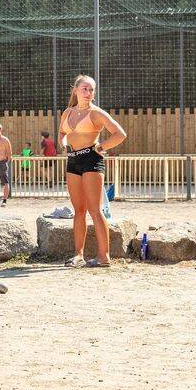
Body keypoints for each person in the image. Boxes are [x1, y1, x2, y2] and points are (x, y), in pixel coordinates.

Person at [60, 75, 127, 268]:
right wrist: (64, 144)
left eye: (91, 90)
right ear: (75, 90)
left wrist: (101, 147)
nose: (89, 93)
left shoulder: (96, 113)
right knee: (78, 211)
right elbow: (62, 133)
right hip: (72, 160)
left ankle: (103, 256)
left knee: (95, 210)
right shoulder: (67, 112)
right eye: (85, 89)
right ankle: (78, 255)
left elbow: (120, 134)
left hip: (91, 160)